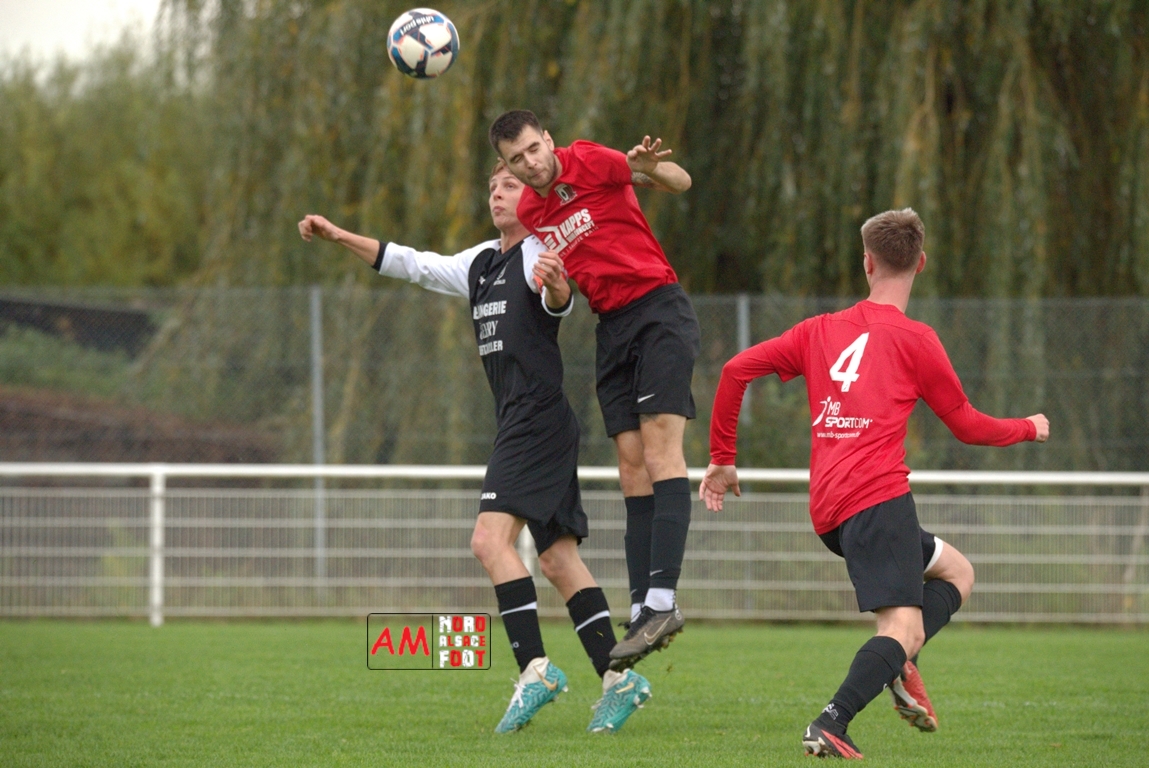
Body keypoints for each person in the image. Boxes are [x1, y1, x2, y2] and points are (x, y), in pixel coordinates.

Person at [297, 161, 651, 734]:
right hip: (530, 421)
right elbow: (411, 263)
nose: (497, 194)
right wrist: (339, 236)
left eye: (510, 185)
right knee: (558, 560)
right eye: (492, 187)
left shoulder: (539, 253)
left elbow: (559, 298)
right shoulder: (481, 262)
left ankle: (535, 670)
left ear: (532, 197)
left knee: (488, 540)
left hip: (536, 418)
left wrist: (559, 290)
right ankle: (620, 680)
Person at [700, 208, 1050, 759]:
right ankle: (833, 720)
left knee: (958, 572)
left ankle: (898, 663)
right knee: (903, 627)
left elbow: (734, 370)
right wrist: (1028, 427)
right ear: (921, 263)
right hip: (878, 501)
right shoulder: (917, 339)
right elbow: (968, 426)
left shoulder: (818, 330)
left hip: (830, 510)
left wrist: (723, 458)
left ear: (867, 263)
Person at [488, 109, 699, 669]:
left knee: (660, 451)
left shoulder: (588, 159)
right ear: (506, 164)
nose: (530, 164)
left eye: (534, 149)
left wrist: (650, 168)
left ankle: (663, 601)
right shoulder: (531, 211)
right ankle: (643, 606)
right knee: (630, 465)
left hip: (658, 311)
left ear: (548, 140)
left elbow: (680, 182)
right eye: (515, 160)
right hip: (611, 327)